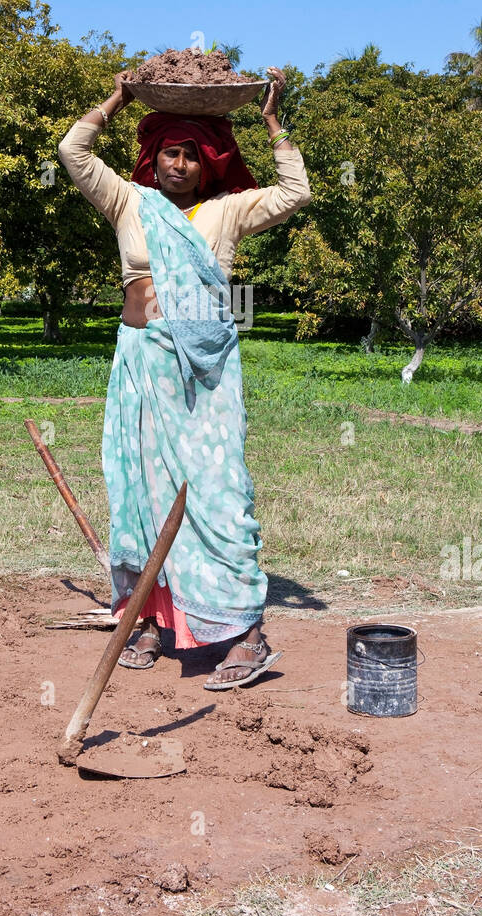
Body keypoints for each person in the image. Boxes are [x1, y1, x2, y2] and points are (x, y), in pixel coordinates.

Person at [57, 66, 311, 688]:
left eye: (191, 156)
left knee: (216, 490)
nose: (179, 165)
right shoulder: (128, 202)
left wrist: (272, 121)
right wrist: (118, 97)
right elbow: (72, 151)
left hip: (204, 370)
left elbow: (294, 193)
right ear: (153, 157)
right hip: (141, 360)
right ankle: (148, 618)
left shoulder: (225, 212)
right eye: (170, 152)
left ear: (208, 164)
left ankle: (246, 635)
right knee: (140, 490)